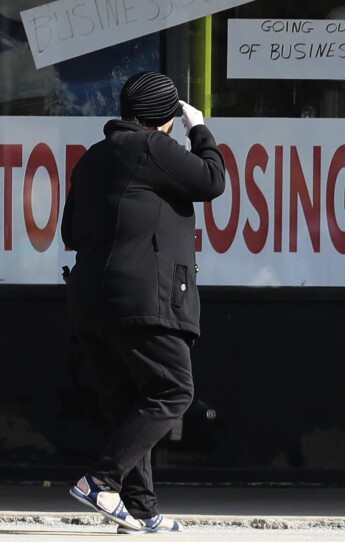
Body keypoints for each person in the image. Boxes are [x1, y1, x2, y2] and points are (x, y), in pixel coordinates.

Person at [61, 71, 226, 534]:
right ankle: (100, 480)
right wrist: (199, 128)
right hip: (141, 298)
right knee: (173, 390)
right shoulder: (152, 147)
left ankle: (140, 509)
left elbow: (70, 233)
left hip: (92, 301)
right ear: (164, 117)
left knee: (128, 404)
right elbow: (212, 180)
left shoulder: (92, 159)